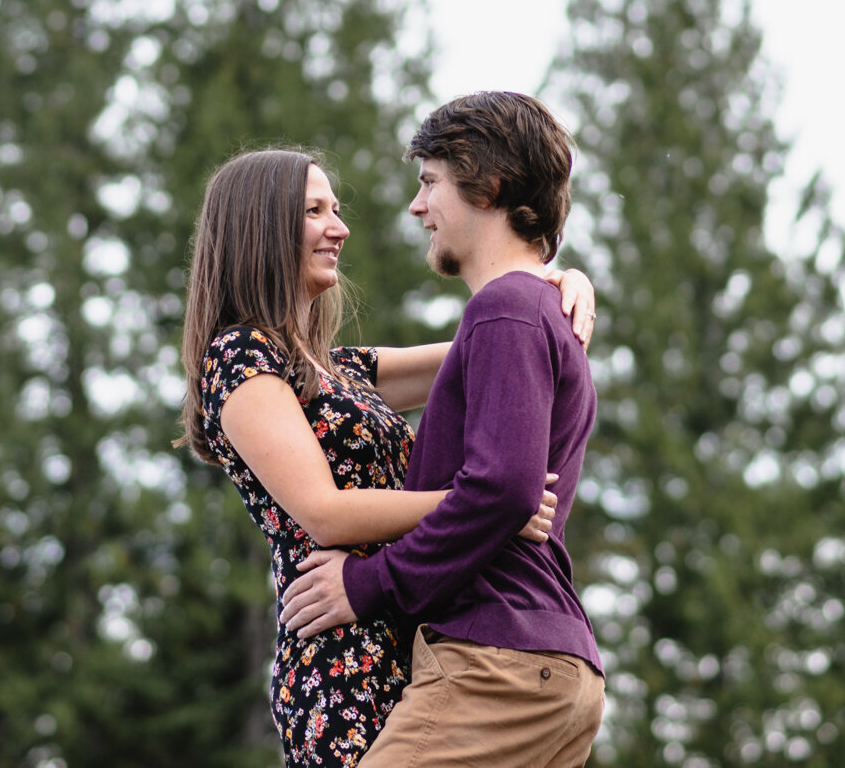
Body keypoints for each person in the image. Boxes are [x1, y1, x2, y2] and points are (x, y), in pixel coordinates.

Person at [181, 147, 597, 767]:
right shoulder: (240, 359)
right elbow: (324, 512)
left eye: (337, 209)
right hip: (340, 648)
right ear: (261, 229)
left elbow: (492, 339)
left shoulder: (339, 371)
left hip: (410, 635)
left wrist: (553, 281)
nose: (339, 227)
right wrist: (483, 502)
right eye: (315, 211)